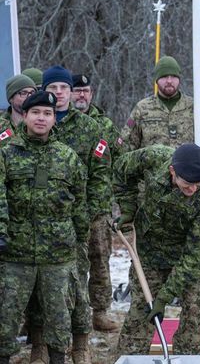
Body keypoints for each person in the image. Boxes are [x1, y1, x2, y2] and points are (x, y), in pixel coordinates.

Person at [27, 65, 112, 363]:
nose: (60, 93)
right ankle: (38, 345)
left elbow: (102, 173)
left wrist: (92, 213)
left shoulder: (90, 128)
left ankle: (80, 345)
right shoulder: (38, 123)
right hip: (38, 224)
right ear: (45, 91)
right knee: (41, 287)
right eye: (53, 88)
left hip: (77, 221)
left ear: (71, 91)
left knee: (76, 283)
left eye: (64, 88)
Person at [0, 91, 88, 364]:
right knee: (6, 317)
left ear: (54, 119)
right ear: (24, 116)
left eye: (47, 114)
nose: (41, 118)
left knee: (59, 319)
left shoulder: (68, 157)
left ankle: (58, 359)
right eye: (36, 112)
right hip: (16, 253)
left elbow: (80, 202)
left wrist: (79, 240)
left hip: (58, 255)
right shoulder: (6, 154)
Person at [115, 143, 200, 354]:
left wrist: (164, 297)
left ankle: (189, 357)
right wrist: (128, 208)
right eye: (187, 184)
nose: (192, 189)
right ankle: (131, 357)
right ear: (173, 171)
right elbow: (121, 169)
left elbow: (197, 256)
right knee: (140, 309)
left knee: (193, 313)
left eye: (197, 184)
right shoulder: (154, 158)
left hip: (187, 256)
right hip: (149, 249)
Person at [71, 73, 123, 332]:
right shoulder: (58, 122)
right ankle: (71, 314)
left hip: (99, 209)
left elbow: (120, 157)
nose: (82, 95)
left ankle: (100, 312)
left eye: (86, 91)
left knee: (100, 260)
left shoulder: (103, 124)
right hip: (69, 209)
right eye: (77, 90)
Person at [121, 56, 194, 150]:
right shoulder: (142, 108)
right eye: (164, 76)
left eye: (173, 76)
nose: (169, 81)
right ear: (156, 79)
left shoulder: (193, 107)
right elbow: (126, 147)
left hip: (185, 164)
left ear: (179, 79)